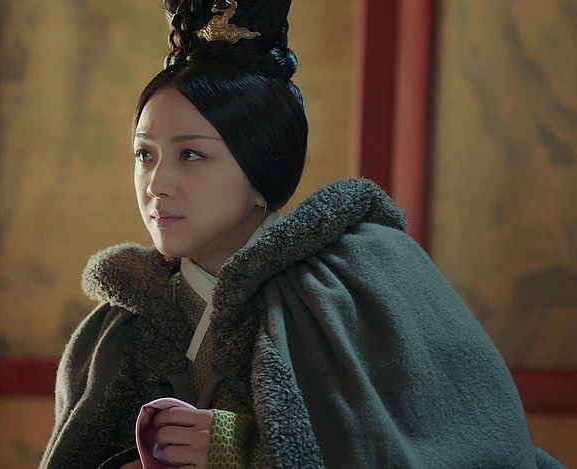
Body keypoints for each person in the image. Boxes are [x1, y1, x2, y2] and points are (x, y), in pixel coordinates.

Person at [40, 1, 566, 468]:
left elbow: (447, 448)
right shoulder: (117, 326)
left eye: (191, 154)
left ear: (261, 173)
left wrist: (240, 451)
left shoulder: (363, 283)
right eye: (144, 154)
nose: (157, 184)